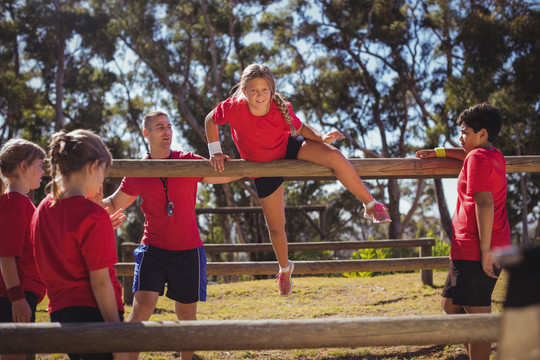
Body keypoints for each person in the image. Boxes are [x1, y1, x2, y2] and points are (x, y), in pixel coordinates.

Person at [204, 63, 391, 296]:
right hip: (261, 165)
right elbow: (210, 120)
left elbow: (301, 129)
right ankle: (284, 269)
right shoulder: (233, 107)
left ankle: (371, 205)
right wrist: (215, 151)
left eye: (264, 90)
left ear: (271, 90)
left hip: (286, 148)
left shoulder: (280, 109)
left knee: (335, 157)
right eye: (253, 90)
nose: (259, 95)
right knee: (275, 226)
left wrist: (322, 137)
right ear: (244, 90)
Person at [94, 110, 238, 360]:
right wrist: (84, 198)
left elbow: (222, 174)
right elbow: (114, 202)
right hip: (154, 249)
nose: (167, 131)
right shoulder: (139, 169)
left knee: (187, 318)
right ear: (146, 133)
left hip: (189, 250)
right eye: (160, 127)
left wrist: (250, 166)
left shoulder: (187, 160)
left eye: (169, 126)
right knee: (141, 309)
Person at [416, 103, 511, 360]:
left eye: (465, 132)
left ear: (482, 134)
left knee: (477, 319)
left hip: (477, 249)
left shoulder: (477, 159)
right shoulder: (492, 154)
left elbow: (484, 202)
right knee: (450, 304)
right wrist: (437, 152)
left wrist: (485, 251)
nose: (461, 137)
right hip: (471, 247)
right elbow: (465, 155)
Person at [31, 129, 128, 360]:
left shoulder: (42, 209)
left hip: (61, 313)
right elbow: (101, 283)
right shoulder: (93, 216)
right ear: (93, 166)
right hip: (98, 314)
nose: (103, 178)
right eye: (104, 171)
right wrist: (118, 336)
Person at [0, 139, 47, 360]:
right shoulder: (15, 204)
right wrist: (17, 299)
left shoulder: (18, 202)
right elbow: (6, 256)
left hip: (17, 297)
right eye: (39, 164)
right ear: (23, 165)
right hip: (12, 298)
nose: (42, 171)